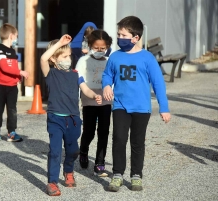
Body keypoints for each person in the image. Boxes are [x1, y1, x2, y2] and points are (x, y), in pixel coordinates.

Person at [102, 16, 171, 192]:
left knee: (137, 142)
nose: (119, 38)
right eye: (118, 34)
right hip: (120, 106)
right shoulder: (115, 56)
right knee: (119, 139)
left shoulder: (147, 58)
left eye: (123, 35)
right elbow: (107, 75)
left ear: (136, 38)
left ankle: (136, 176)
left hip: (141, 108)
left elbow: (158, 84)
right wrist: (106, 86)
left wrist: (164, 107)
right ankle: (117, 175)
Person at [40, 34, 102, 196]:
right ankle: (52, 182)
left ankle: (68, 171)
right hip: (55, 118)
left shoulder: (75, 74)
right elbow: (43, 58)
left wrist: (93, 95)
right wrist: (59, 42)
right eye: (64, 56)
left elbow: (85, 88)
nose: (68, 59)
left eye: (69, 56)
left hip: (73, 119)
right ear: (54, 59)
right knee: (55, 151)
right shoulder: (50, 73)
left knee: (73, 150)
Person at [75, 29, 113, 177]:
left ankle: (100, 162)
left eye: (103, 48)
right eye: (96, 48)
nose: (99, 51)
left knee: (104, 131)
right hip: (89, 99)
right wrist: (88, 93)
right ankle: (83, 151)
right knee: (89, 131)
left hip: (105, 100)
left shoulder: (109, 61)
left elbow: (114, 79)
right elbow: (79, 78)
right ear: (90, 45)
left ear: (108, 47)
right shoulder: (83, 60)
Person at [0, 23, 29, 142]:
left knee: (12, 110)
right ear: (11, 36)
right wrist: (21, 72)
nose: (16, 38)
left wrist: (18, 77)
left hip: (12, 87)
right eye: (16, 35)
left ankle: (11, 133)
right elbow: (4, 67)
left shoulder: (12, 51)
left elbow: (12, 67)